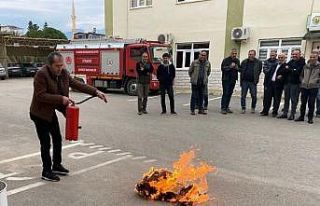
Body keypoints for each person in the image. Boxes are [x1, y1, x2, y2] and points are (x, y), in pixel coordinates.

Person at [30, 52, 107, 182]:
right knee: (45, 142)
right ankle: (46, 171)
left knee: (57, 138)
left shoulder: (63, 73)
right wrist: (62, 99)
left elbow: (77, 84)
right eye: (57, 66)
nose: (60, 68)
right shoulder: (41, 74)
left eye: (62, 65)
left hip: (50, 112)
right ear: (49, 65)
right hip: (39, 113)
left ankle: (57, 165)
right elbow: (40, 96)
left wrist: (95, 91)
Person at [278, 50, 306, 120]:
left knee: (294, 99)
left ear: (300, 54)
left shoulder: (302, 62)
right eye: (293, 54)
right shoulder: (291, 61)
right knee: (286, 99)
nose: (294, 56)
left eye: (296, 54)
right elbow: (285, 69)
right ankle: (285, 113)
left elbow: (297, 72)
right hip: (287, 83)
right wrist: (292, 69)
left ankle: (292, 114)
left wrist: (290, 69)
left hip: (295, 84)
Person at [295, 52, 320, 124]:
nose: (312, 58)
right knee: (303, 103)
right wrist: (302, 81)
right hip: (304, 87)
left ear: (317, 58)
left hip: (313, 87)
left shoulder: (319, 66)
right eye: (311, 57)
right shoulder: (306, 66)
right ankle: (301, 116)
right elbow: (301, 75)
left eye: (314, 57)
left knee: (311, 103)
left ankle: (310, 118)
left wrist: (316, 81)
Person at [188, 50, 211, 115]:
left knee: (201, 96)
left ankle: (200, 109)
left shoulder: (208, 63)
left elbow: (208, 72)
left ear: (206, 56)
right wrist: (193, 78)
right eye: (201, 55)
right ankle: (192, 110)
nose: (203, 56)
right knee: (194, 96)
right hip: (195, 82)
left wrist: (204, 78)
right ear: (199, 55)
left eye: (204, 55)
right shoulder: (194, 62)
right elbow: (190, 71)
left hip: (203, 82)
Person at [220, 48, 240, 114]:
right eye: (233, 53)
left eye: (235, 54)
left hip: (233, 79)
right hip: (226, 79)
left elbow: (240, 69)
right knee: (225, 93)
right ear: (230, 53)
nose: (234, 55)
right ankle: (223, 108)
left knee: (229, 93)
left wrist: (237, 68)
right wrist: (230, 67)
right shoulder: (226, 60)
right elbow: (223, 68)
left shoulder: (237, 60)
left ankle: (227, 107)